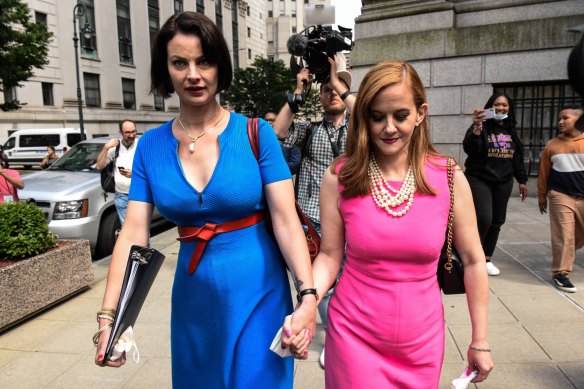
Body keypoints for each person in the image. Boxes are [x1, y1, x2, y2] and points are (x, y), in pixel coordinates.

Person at [93, 12, 316, 388]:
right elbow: (132, 233)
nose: (193, 74)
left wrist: (307, 296)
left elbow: (285, 220)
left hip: (260, 295)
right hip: (193, 301)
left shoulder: (255, 134)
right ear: (166, 70)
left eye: (204, 61)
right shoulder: (149, 147)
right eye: (180, 62)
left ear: (219, 66)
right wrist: (108, 317)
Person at [284, 60, 493, 387]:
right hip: (353, 335)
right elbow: (329, 255)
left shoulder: (449, 177)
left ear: (420, 113)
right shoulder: (341, 177)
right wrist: (308, 300)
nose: (389, 128)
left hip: (422, 343)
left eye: (401, 115)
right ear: (364, 116)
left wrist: (479, 340)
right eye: (377, 116)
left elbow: (474, 261)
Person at [273, 53, 355, 368]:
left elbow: (364, 114)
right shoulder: (308, 129)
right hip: (312, 221)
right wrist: (297, 94)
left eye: (338, 89)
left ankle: (345, 334)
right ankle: (335, 339)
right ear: (318, 97)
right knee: (320, 286)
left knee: (348, 283)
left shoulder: (359, 128)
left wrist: (337, 81)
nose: (332, 93)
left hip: (351, 219)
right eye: (326, 90)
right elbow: (278, 132)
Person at [463, 93, 528, 276]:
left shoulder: (510, 129)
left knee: (497, 220)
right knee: (484, 218)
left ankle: (486, 259)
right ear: (490, 107)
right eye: (497, 104)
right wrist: (477, 126)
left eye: (504, 105)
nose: (501, 108)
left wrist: (522, 180)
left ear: (509, 108)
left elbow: (517, 157)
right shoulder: (481, 126)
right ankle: (470, 254)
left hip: (504, 180)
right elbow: (470, 149)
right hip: (480, 178)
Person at [537, 105, 584, 293]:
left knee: (574, 237)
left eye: (565, 118)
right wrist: (542, 195)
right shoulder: (552, 145)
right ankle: (560, 273)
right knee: (564, 235)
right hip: (560, 196)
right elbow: (543, 173)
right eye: (559, 119)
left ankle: (567, 253)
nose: (560, 122)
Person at [96, 119, 139, 225]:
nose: (132, 135)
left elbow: (151, 169)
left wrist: (134, 174)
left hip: (139, 194)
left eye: (134, 131)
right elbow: (99, 166)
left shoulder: (141, 145)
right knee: (126, 229)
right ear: (121, 133)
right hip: (121, 195)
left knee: (141, 229)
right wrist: (106, 148)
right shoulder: (115, 147)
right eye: (128, 133)